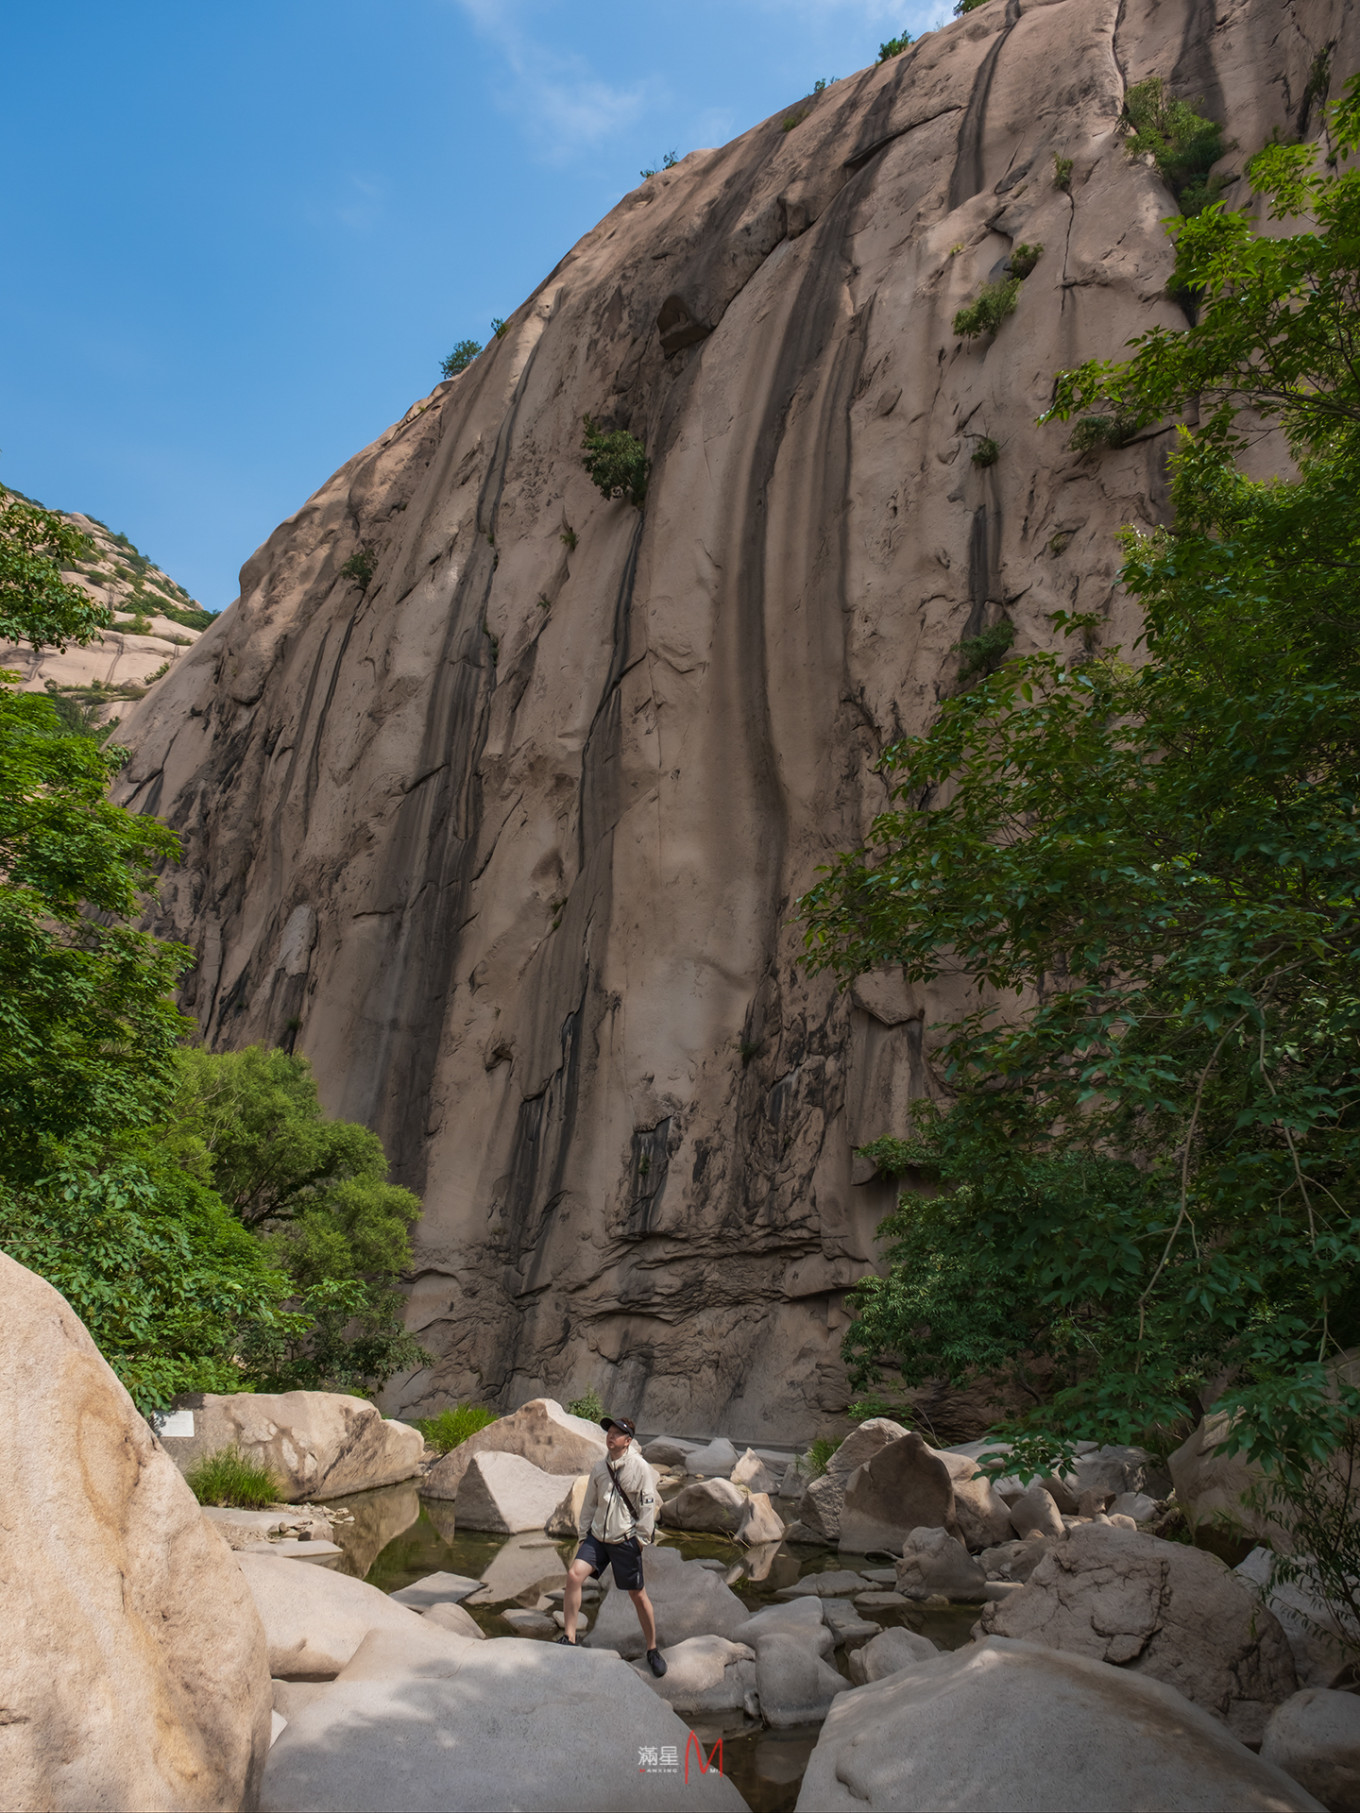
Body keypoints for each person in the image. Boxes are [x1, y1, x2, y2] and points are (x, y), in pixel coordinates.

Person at [556, 1414, 667, 1676]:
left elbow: (648, 1505)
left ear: (627, 1441)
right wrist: (584, 1536)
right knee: (574, 1575)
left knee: (637, 1595)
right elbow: (589, 1506)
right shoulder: (599, 1468)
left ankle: (652, 1648)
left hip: (625, 1539)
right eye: (609, 1432)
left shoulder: (639, 1468)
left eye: (617, 1433)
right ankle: (569, 1638)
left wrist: (641, 1540)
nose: (611, 1436)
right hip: (597, 1538)